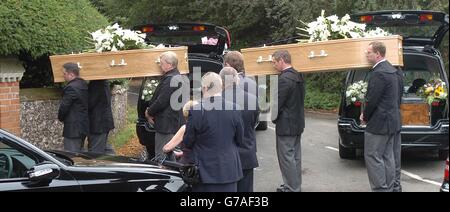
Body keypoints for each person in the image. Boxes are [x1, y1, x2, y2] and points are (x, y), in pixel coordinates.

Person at [183, 72, 244, 192]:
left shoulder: (196, 110)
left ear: (204, 88)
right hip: (229, 168)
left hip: (204, 171)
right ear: (221, 87)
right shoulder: (235, 108)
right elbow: (240, 139)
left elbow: (188, 141)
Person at [360, 41, 402, 192]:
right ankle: (389, 188)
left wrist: (365, 116)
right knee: (388, 157)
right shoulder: (392, 70)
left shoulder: (379, 73)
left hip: (378, 124)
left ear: (378, 54)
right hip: (391, 122)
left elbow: (372, 100)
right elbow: (398, 97)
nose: (366, 54)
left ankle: (380, 189)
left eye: (369, 52)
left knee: (373, 157)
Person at [220, 67, 259, 192]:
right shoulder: (252, 99)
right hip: (246, 151)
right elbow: (254, 123)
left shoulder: (216, 100)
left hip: (224, 155)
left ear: (221, 81)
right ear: (237, 79)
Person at [271, 50, 305, 192]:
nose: (273, 66)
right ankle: (294, 185)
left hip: (286, 125)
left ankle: (291, 188)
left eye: (274, 62)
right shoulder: (298, 75)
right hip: (297, 122)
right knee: (295, 157)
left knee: (287, 158)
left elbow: (277, 103)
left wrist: (273, 117)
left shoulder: (284, 79)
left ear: (281, 61)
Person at [145, 51, 187, 159]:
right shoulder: (176, 77)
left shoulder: (171, 79)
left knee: (162, 156)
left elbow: (161, 101)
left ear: (169, 64)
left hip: (166, 125)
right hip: (171, 122)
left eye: (161, 62)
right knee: (170, 156)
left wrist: (149, 112)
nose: (160, 65)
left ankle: (163, 175)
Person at [58, 62, 89, 153]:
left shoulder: (71, 88)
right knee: (79, 154)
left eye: (64, 74)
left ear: (71, 74)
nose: (63, 76)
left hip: (73, 128)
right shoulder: (83, 85)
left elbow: (64, 106)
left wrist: (61, 118)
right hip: (82, 127)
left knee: (71, 155)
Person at [87, 80, 115, 154]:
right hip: (103, 123)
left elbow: (90, 103)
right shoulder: (104, 82)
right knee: (104, 149)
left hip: (98, 125)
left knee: (95, 154)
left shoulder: (96, 84)